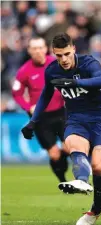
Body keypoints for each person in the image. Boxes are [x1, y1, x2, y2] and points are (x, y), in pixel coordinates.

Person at [21, 33, 101, 225]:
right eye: (58, 55)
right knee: (74, 146)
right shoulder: (52, 71)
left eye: (66, 54)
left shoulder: (88, 63)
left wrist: (76, 82)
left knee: (98, 166)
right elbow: (45, 97)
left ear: (73, 49)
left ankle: (97, 208)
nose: (63, 59)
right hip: (75, 119)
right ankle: (81, 180)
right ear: (54, 54)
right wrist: (33, 122)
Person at [12, 37, 69, 183]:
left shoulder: (57, 63)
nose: (38, 51)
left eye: (40, 47)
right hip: (41, 118)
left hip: (61, 112)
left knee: (69, 147)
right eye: (34, 48)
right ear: (29, 51)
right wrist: (27, 107)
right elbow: (17, 93)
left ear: (46, 49)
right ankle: (61, 179)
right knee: (54, 154)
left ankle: (67, 168)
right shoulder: (24, 71)